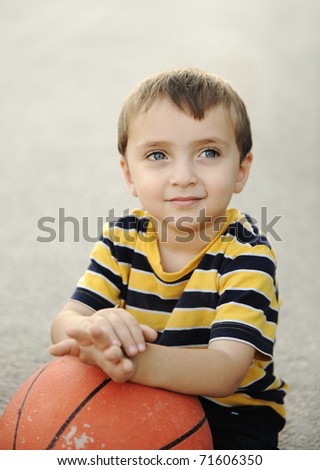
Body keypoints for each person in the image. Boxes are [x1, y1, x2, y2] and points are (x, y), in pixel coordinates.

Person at [49, 68, 288, 449]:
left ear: (241, 170)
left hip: (227, 411)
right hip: (139, 392)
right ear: (129, 174)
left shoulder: (246, 253)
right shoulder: (122, 238)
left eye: (208, 152)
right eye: (157, 154)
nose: (182, 176)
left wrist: (131, 365)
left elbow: (223, 371)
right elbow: (66, 324)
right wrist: (93, 333)